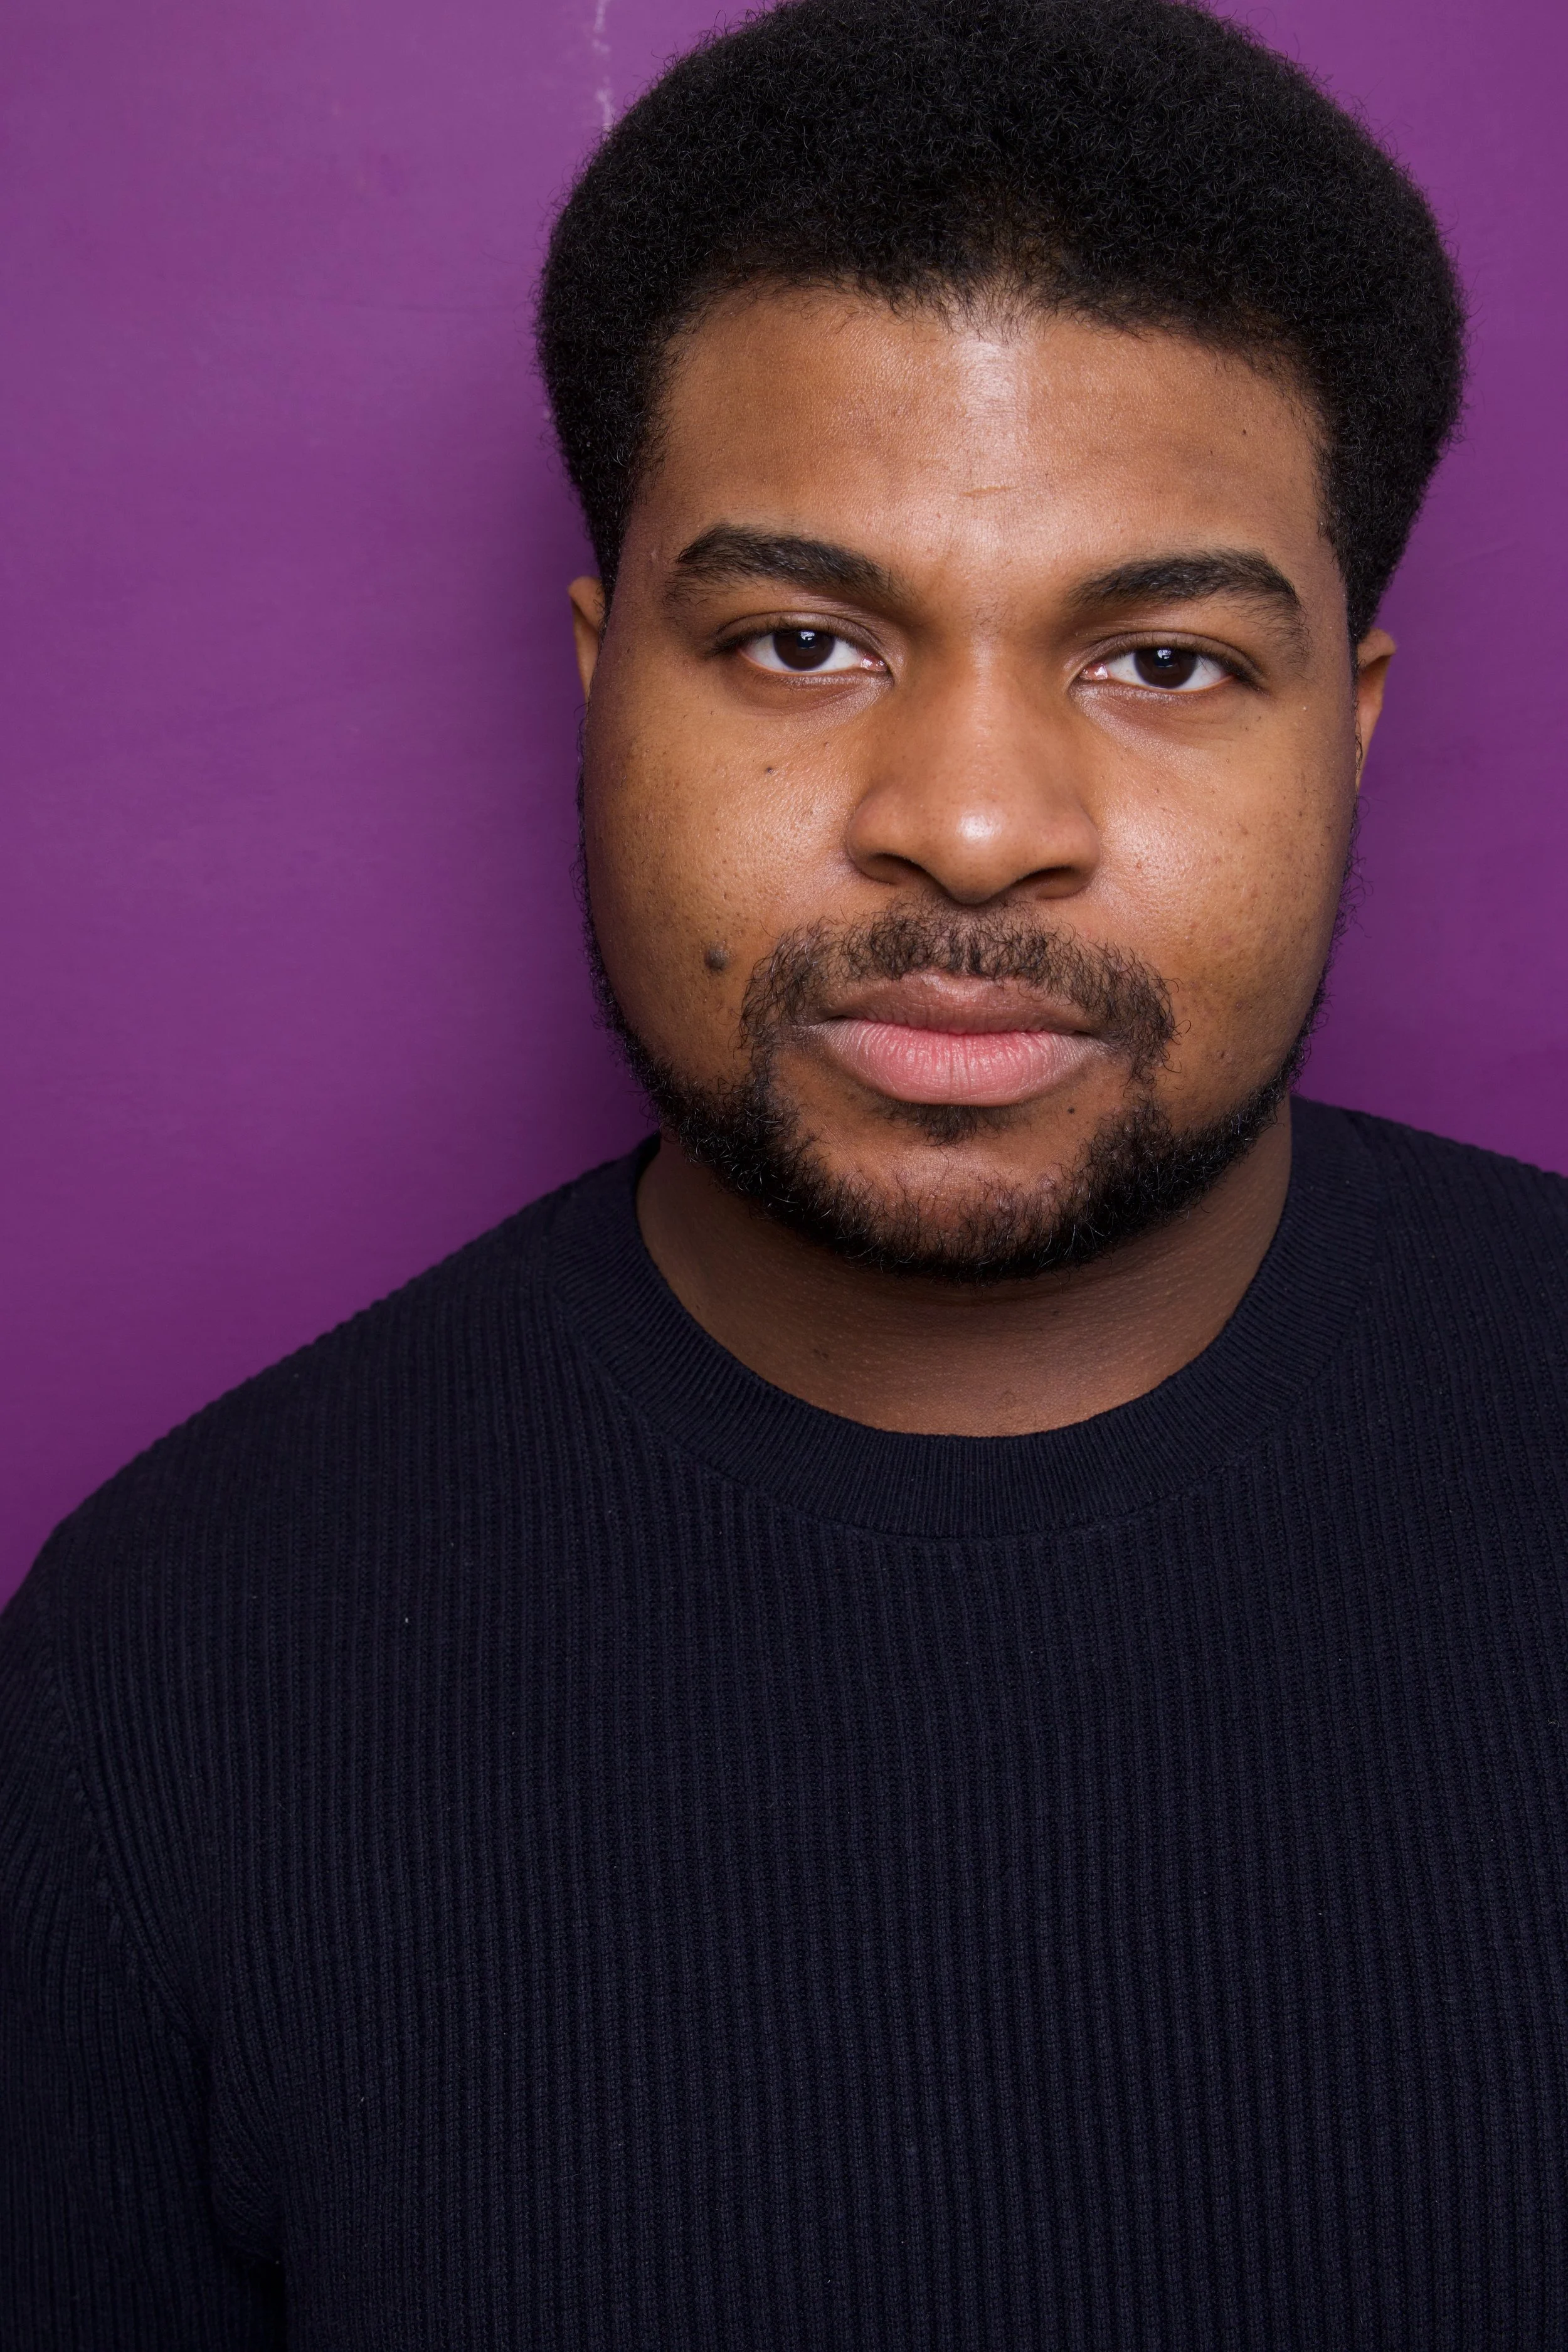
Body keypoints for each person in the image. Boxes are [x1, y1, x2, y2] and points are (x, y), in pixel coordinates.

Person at [4, 0, 1564, 2342]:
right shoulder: (157, 1680)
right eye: (802, 639)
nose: (967, 819)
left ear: (1347, 721)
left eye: (1156, 663)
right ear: (601, 669)